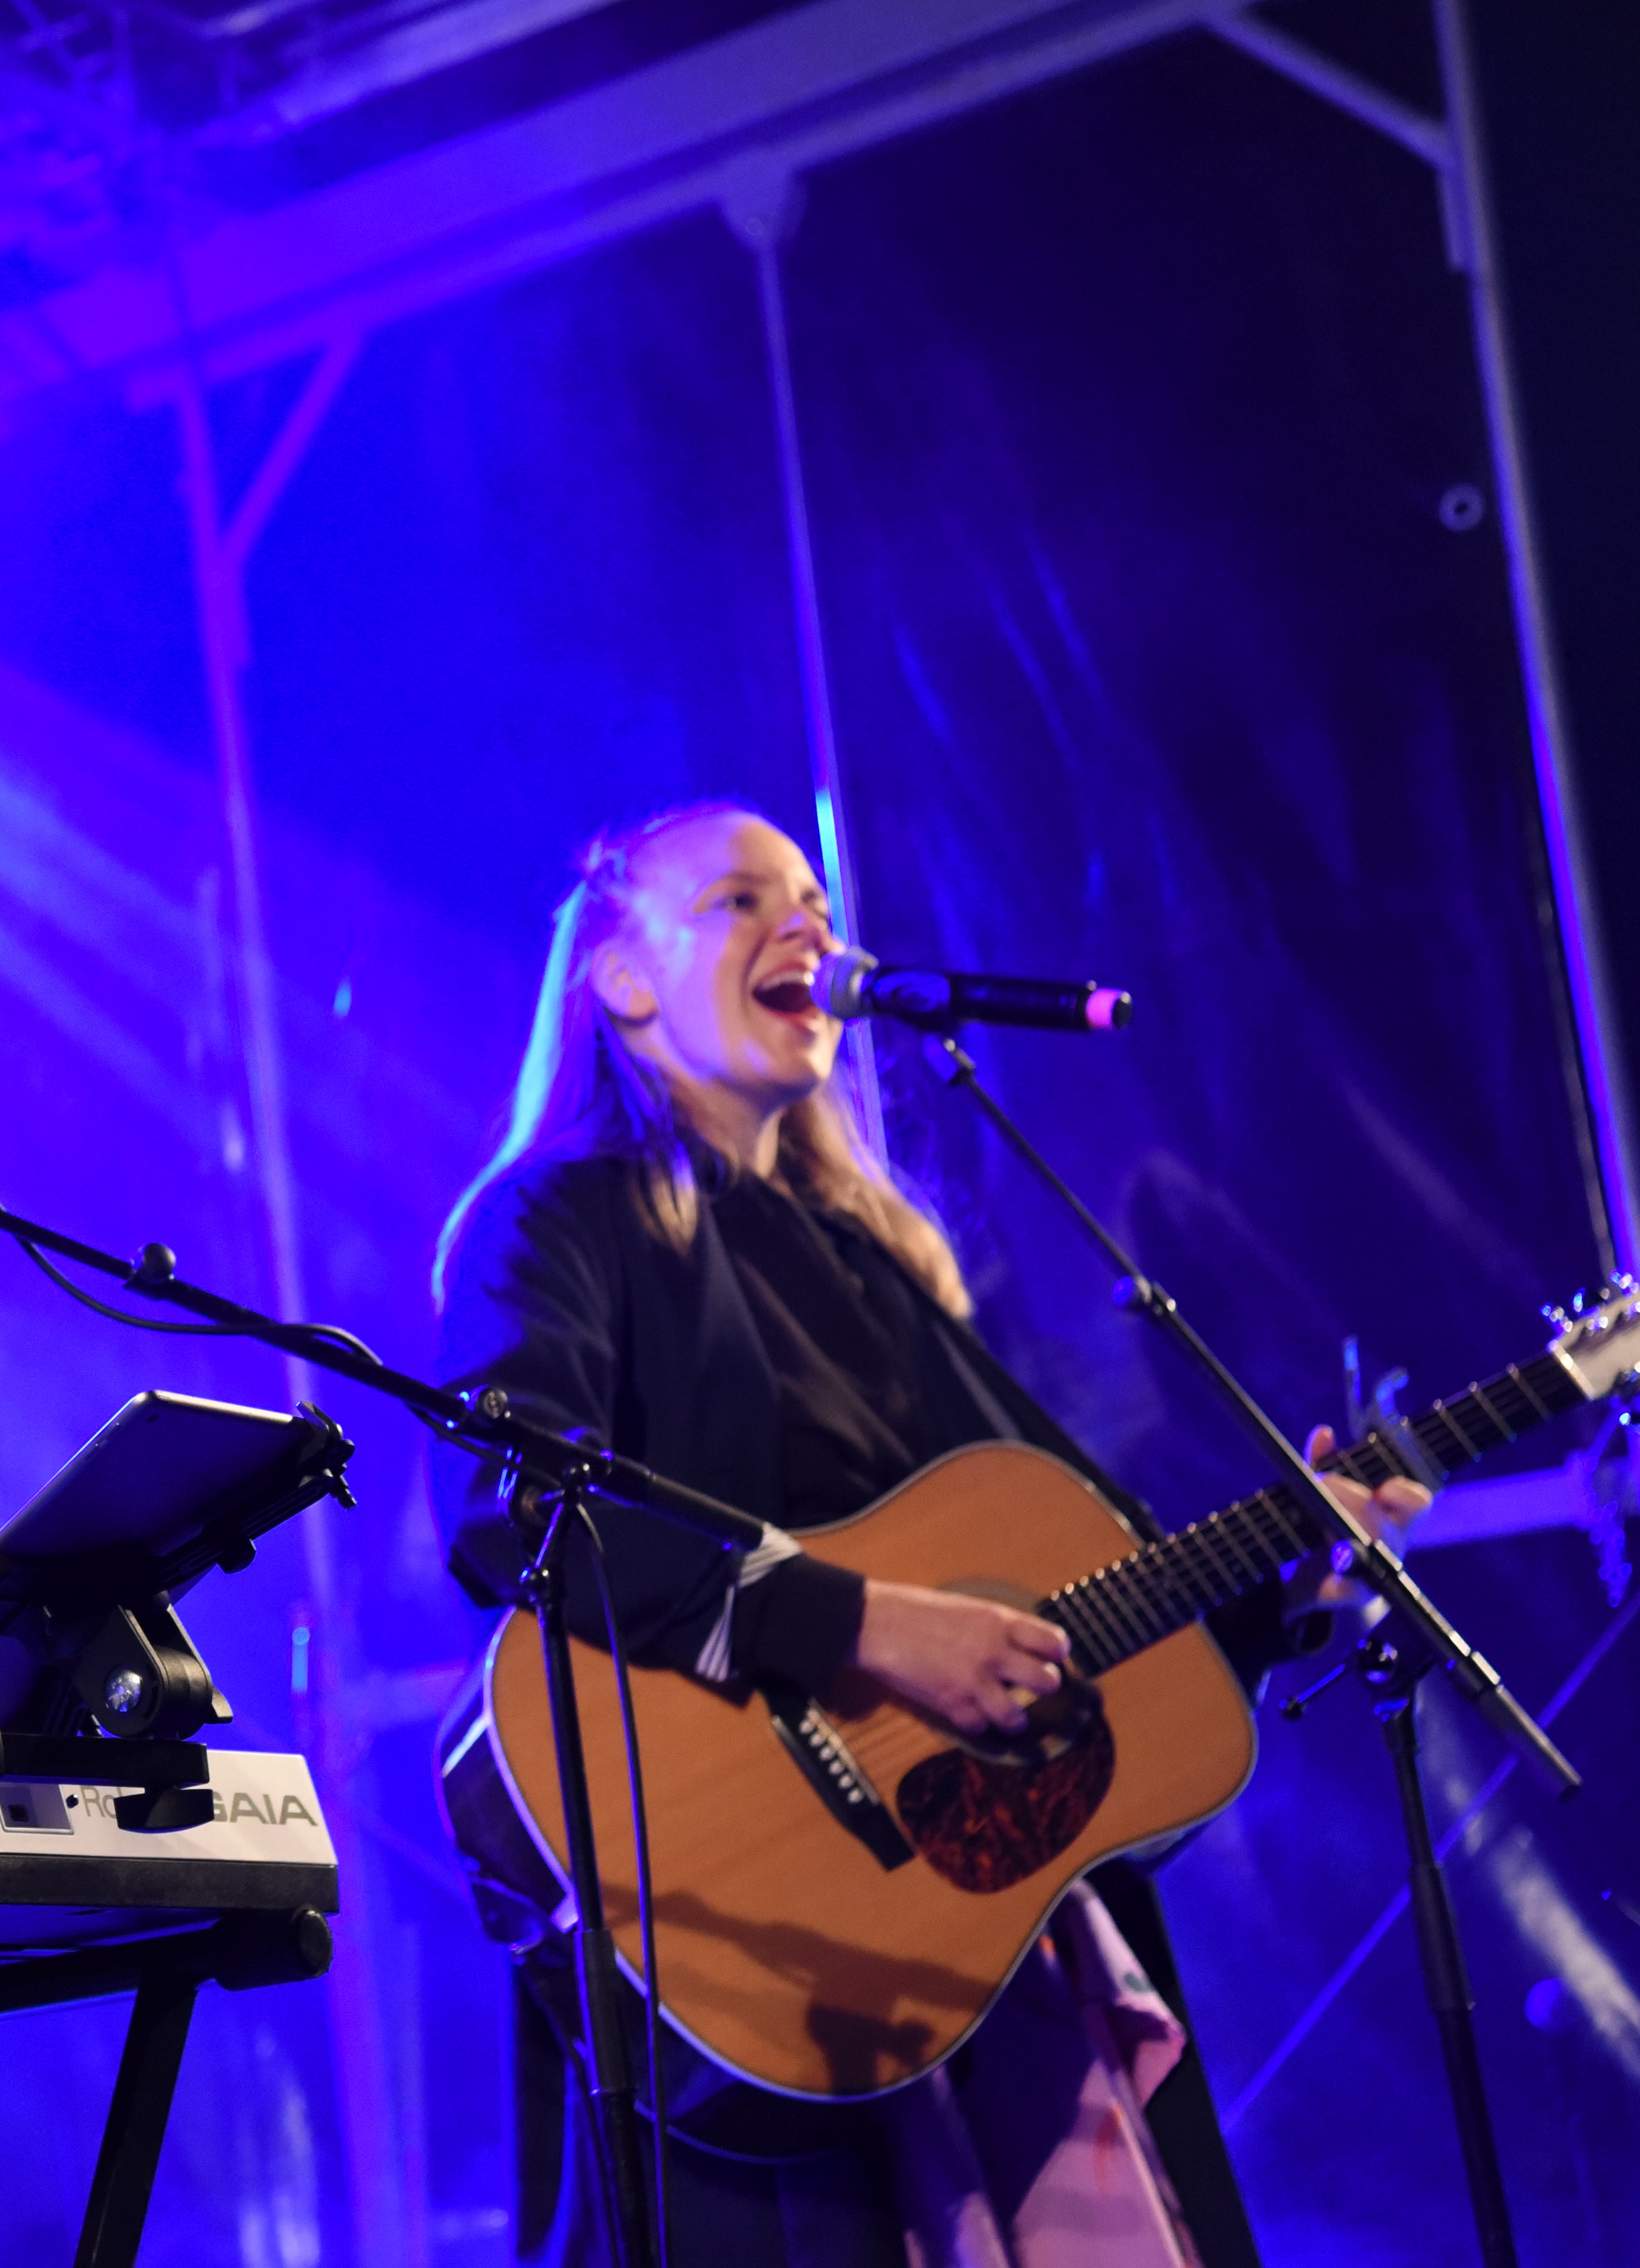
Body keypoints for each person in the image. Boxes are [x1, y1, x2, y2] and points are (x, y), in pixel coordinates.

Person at [431, 804, 1420, 2268]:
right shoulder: (555, 1220)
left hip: (976, 1933)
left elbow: (1082, 1608)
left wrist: (1297, 1562)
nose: (809, 930)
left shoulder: (875, 1256)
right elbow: (518, 1510)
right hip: (746, 1929)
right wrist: (857, 1624)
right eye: (740, 898)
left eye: (819, 902)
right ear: (621, 982)